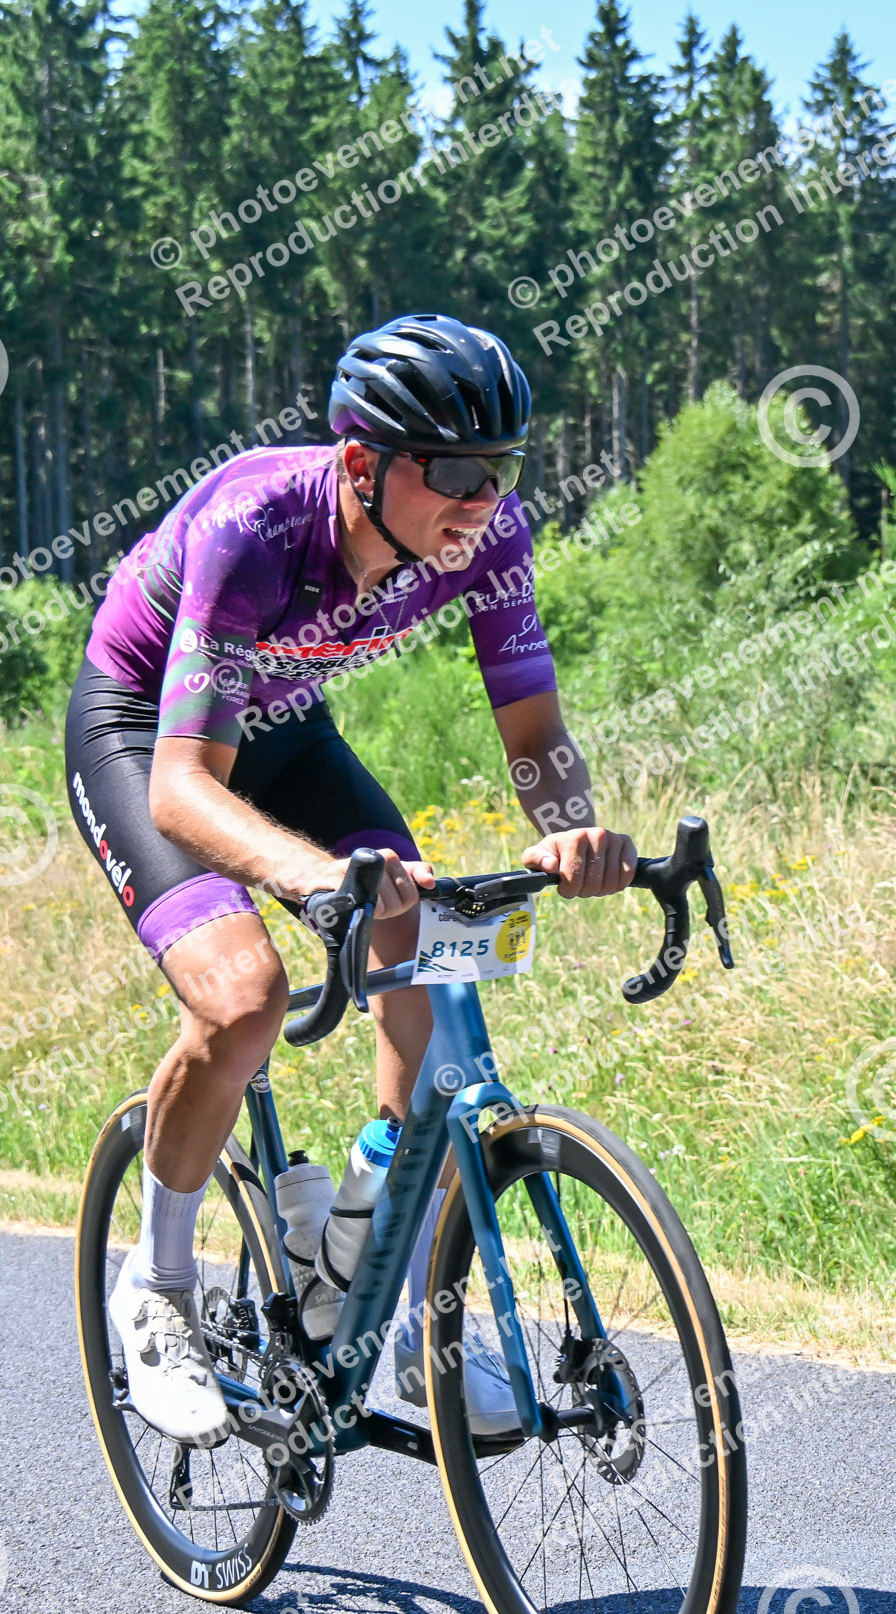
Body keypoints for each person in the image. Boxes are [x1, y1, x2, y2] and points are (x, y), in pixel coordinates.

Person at [65, 311, 637, 1448]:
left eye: (503, 470)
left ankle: (380, 1289)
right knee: (244, 999)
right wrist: (313, 876)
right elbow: (182, 788)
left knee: (429, 964)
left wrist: (575, 832)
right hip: (148, 735)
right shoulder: (253, 525)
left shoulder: (487, 538)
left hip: (284, 733)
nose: (483, 500)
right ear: (363, 465)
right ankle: (160, 1289)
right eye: (457, 473)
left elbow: (532, 731)